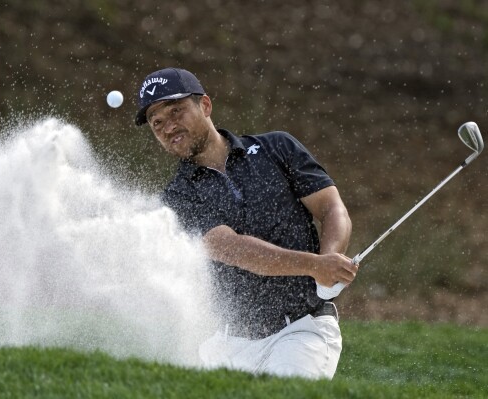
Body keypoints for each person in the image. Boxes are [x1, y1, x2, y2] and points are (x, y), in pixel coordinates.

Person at [134, 67, 357, 379]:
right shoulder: (175, 198)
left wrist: (328, 263)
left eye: (176, 111)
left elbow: (332, 208)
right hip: (226, 344)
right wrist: (314, 265)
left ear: (205, 106)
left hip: (302, 329)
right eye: (158, 123)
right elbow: (228, 248)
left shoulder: (276, 148)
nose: (169, 127)